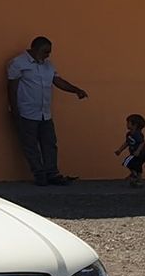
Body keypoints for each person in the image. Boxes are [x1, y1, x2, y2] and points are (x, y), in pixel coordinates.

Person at [5, 35, 88, 186]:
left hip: (44, 112)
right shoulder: (18, 63)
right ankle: (39, 174)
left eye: (49, 52)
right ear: (35, 49)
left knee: (49, 143)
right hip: (26, 111)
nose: (47, 55)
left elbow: (57, 81)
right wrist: (14, 109)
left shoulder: (48, 65)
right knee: (30, 145)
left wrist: (76, 90)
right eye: (45, 51)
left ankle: (52, 173)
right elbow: (12, 87)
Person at [114, 113, 145, 188]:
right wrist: (120, 150)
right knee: (138, 167)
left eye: (128, 123)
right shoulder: (129, 134)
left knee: (127, 162)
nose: (127, 124)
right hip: (135, 154)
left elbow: (142, 143)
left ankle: (133, 174)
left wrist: (138, 151)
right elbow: (126, 143)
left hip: (140, 154)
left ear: (134, 125)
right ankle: (138, 180)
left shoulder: (137, 134)